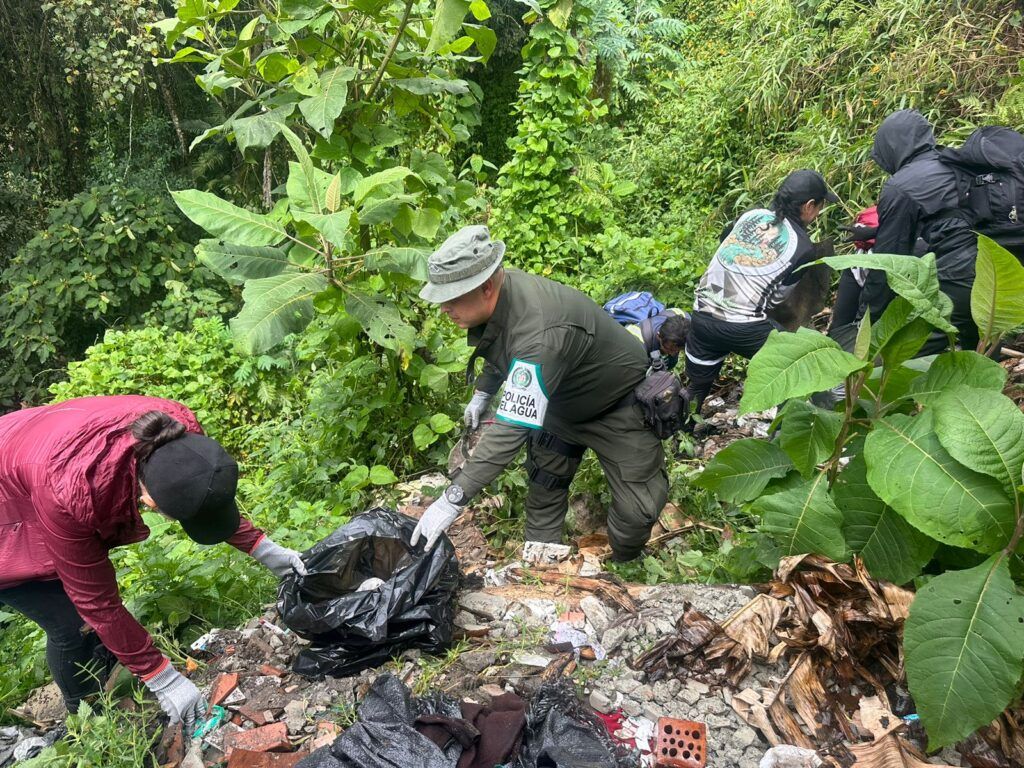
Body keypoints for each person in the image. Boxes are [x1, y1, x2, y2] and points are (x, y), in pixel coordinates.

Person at [0, 396, 306, 732]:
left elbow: (202, 496)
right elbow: (98, 604)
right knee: (70, 622)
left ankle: (113, 670)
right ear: (149, 501)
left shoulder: (175, 433)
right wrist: (164, 679)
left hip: (32, 448)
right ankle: (87, 724)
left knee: (88, 616)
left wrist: (265, 549)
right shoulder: (71, 495)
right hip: (11, 503)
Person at [414, 225, 668, 562]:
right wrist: (483, 393)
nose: (444, 309)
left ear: (486, 286)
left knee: (638, 512)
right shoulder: (501, 294)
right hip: (559, 405)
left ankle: (623, 565)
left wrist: (454, 497)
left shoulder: (541, 331)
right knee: (545, 486)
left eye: (452, 298)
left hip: (617, 407)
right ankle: (542, 571)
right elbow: (500, 345)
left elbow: (511, 428)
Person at [684, 169, 838, 413]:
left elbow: (726, 243)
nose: (817, 214)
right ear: (809, 206)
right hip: (744, 327)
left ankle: (681, 433)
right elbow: (777, 299)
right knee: (792, 367)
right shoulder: (803, 246)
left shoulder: (751, 215)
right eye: (819, 207)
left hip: (701, 316)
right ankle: (782, 437)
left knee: (696, 388)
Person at [863, 109, 980, 352]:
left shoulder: (901, 186)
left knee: (910, 354)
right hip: (996, 270)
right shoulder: (953, 161)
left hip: (960, 277)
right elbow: (951, 218)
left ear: (891, 148)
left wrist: (869, 322)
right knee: (981, 350)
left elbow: (888, 264)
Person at [625, 310, 690, 370]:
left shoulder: (685, 319)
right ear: (658, 336)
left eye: (677, 350)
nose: (672, 354)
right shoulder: (635, 344)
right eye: (669, 349)